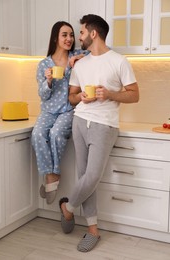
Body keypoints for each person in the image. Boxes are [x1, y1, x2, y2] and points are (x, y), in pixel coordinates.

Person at [59, 14, 139, 252]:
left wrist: (110, 94)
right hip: (80, 121)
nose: (78, 37)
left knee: (92, 177)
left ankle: (68, 208)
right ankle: (93, 230)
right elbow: (71, 97)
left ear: (93, 33)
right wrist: (80, 97)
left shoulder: (119, 61)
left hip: (105, 125)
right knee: (84, 176)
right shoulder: (80, 63)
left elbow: (134, 94)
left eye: (81, 32)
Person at [32, 21, 85, 205]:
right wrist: (47, 81)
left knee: (55, 134)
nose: (69, 38)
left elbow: (101, 49)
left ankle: (51, 177)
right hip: (48, 110)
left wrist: (79, 59)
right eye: (64, 35)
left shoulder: (78, 55)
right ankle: (51, 175)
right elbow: (43, 95)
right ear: (56, 37)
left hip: (69, 109)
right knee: (37, 133)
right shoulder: (43, 64)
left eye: (71, 35)